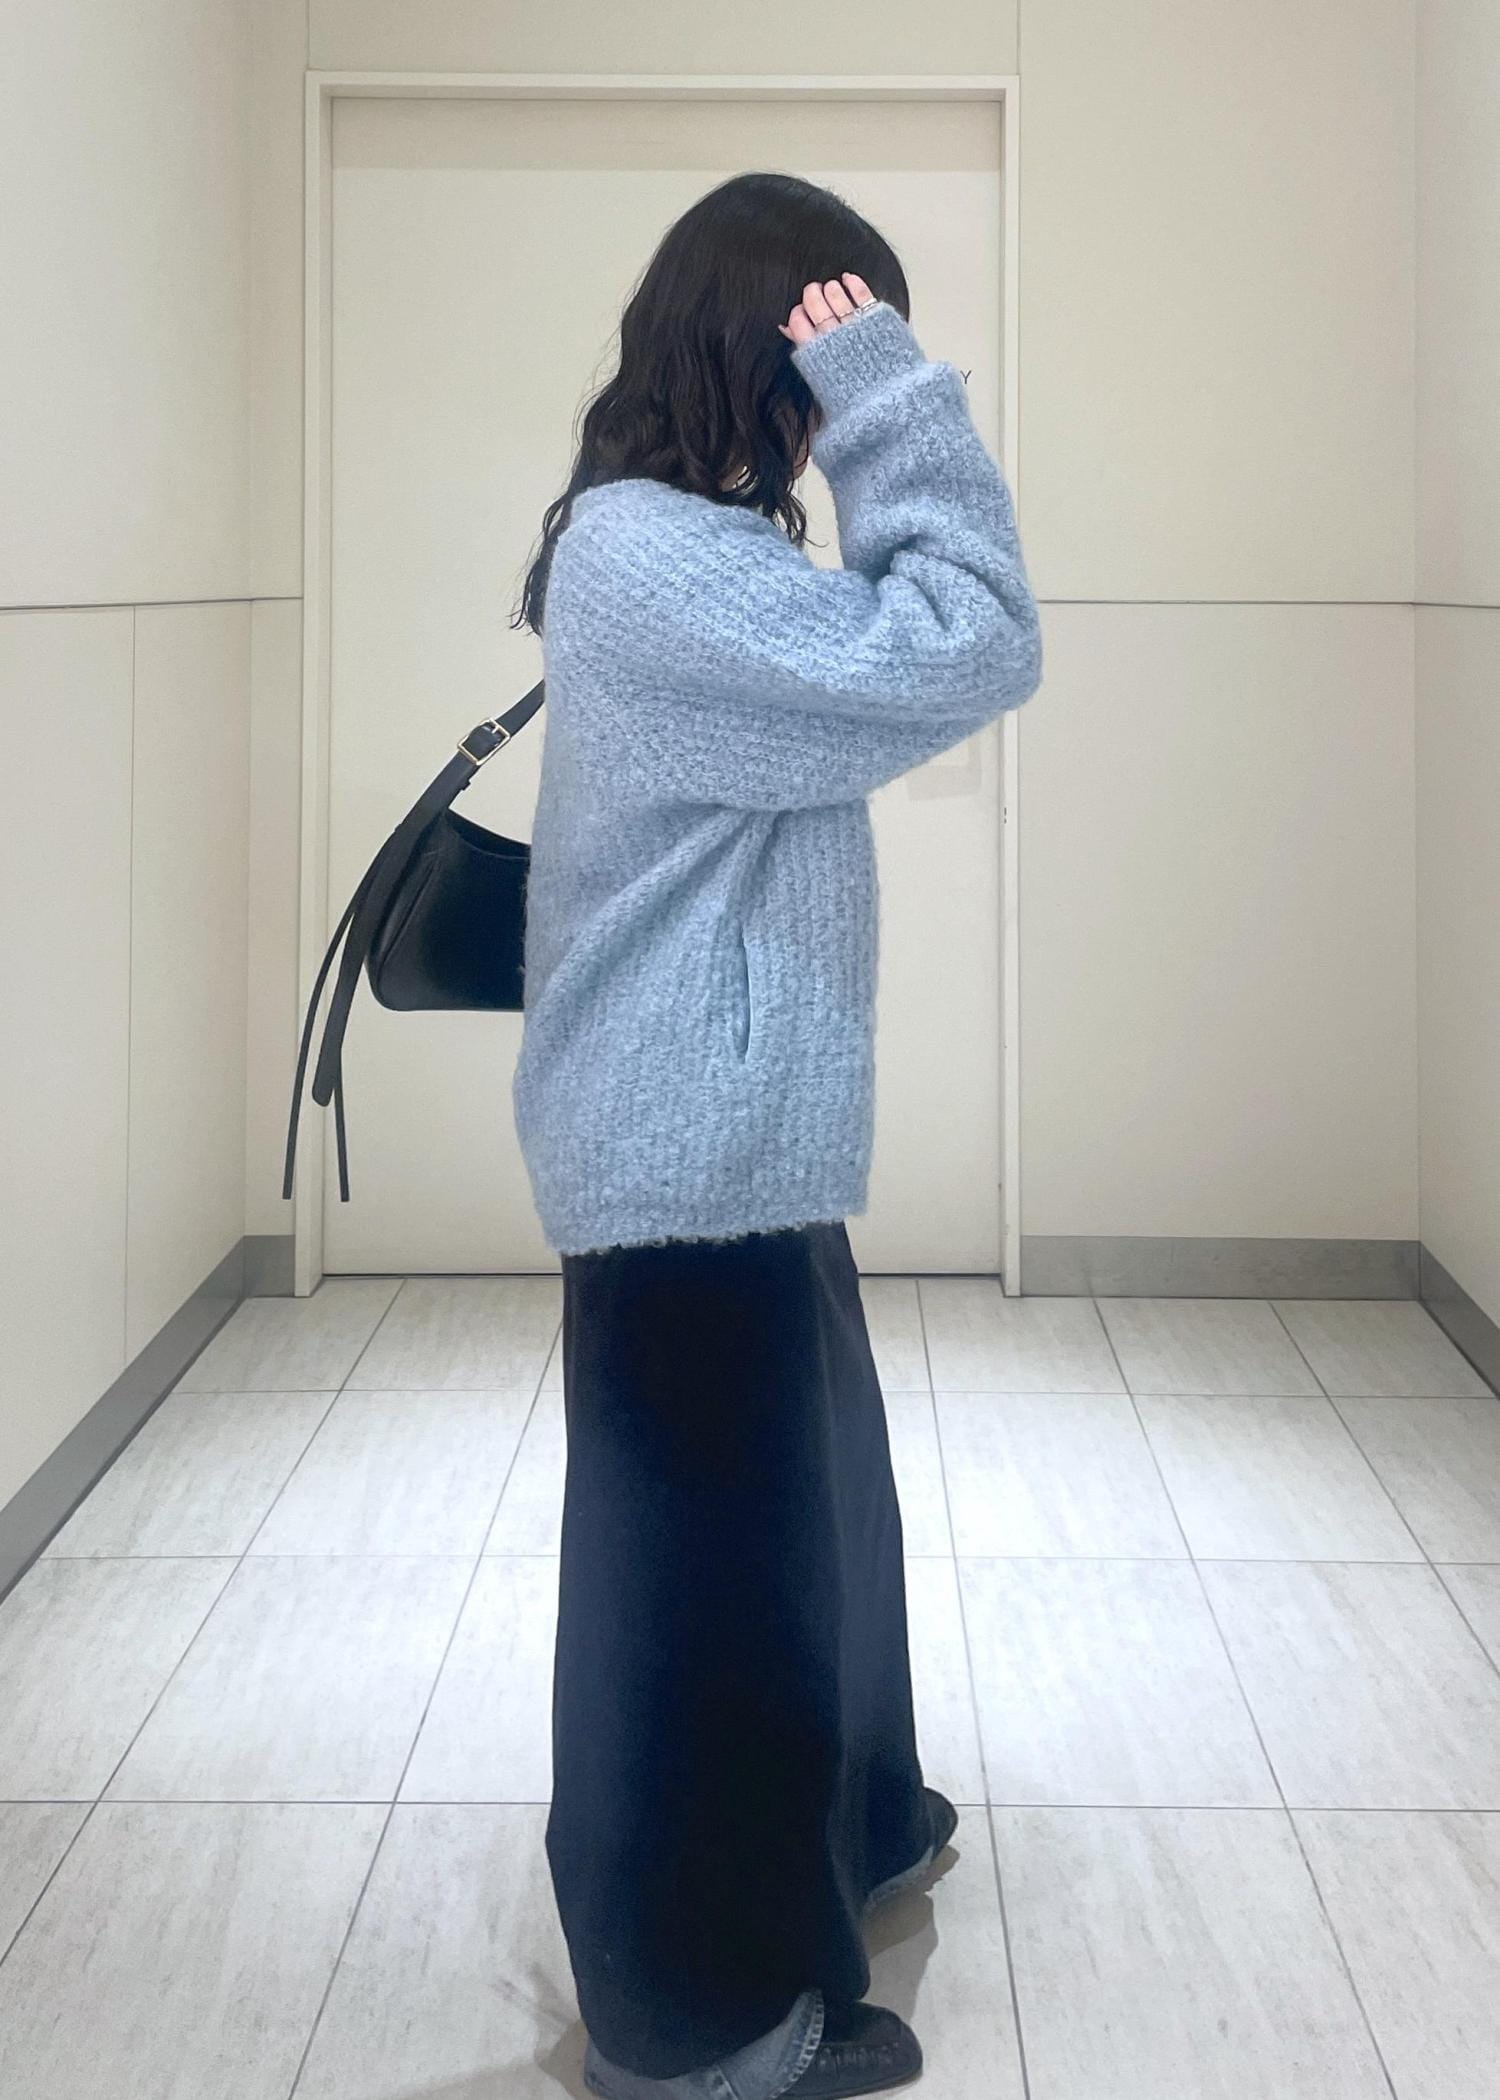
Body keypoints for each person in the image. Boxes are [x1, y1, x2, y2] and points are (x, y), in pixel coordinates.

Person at [508, 171, 1044, 2100]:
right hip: (688, 1160)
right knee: (698, 1605)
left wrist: (867, 387)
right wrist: (902, 399)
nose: (846, 399)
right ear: (764, 351)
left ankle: (851, 1827)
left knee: (809, 1535)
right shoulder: (650, 558)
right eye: (830, 348)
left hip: (733, 1145)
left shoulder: (680, 546)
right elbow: (971, 639)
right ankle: (697, 2020)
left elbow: (909, 656)